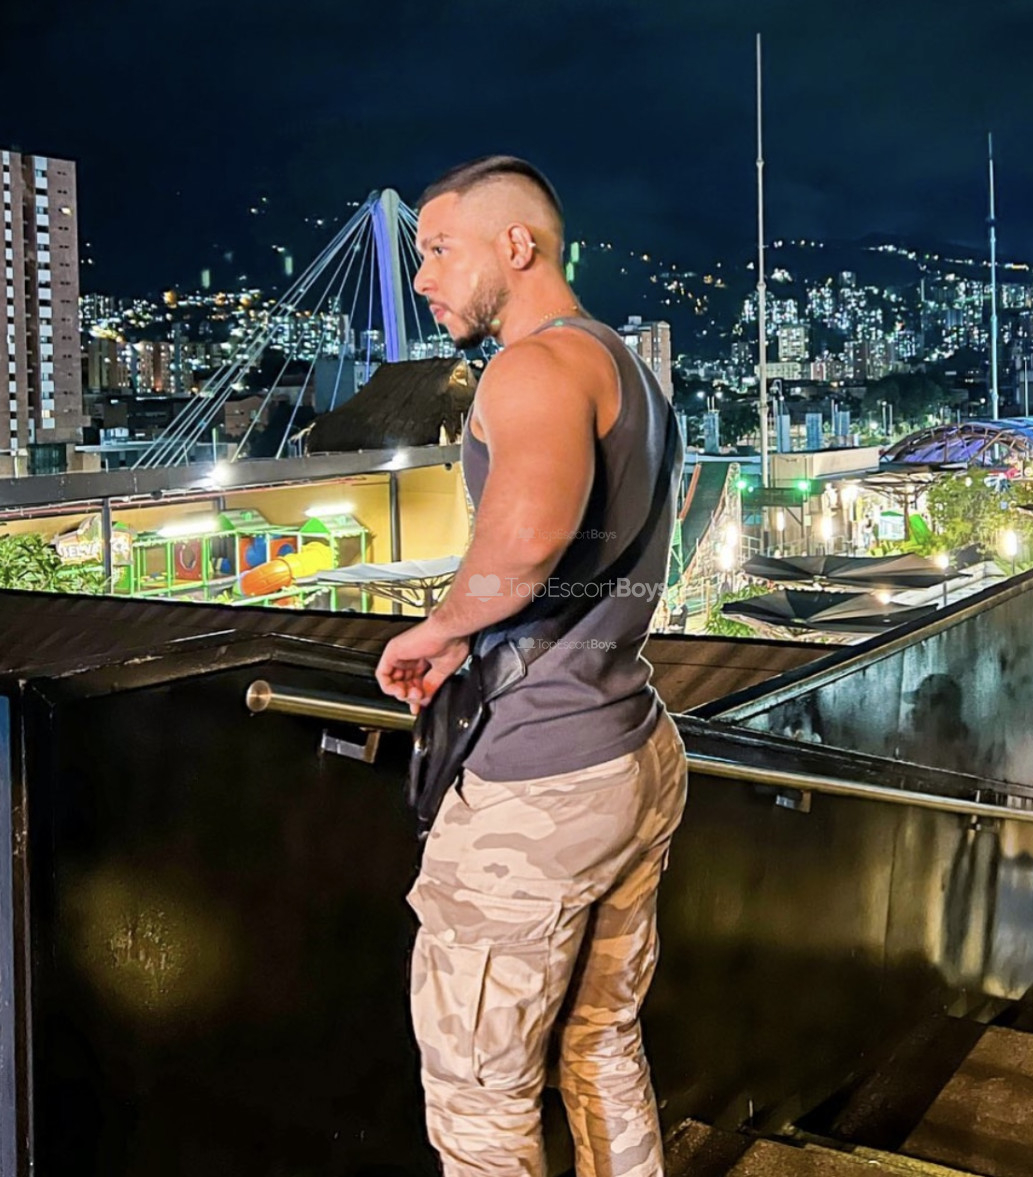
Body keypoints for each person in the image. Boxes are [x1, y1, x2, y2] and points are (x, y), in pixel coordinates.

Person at [375, 156, 686, 1177]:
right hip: (631, 746)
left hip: (539, 787)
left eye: (438, 248)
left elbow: (523, 541)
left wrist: (437, 630)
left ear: (518, 245)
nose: (423, 276)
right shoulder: (626, 366)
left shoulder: (535, 366)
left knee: (479, 1096)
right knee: (601, 1041)